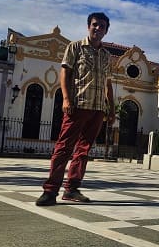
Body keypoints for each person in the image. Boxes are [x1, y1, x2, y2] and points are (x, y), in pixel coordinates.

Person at [36, 12, 115, 206]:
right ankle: (50, 191)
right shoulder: (76, 47)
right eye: (95, 25)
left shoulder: (106, 56)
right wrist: (66, 99)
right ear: (89, 26)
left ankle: (72, 189)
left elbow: (108, 83)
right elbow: (65, 73)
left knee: (83, 151)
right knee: (63, 148)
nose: (98, 29)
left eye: (102, 26)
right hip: (77, 106)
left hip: (97, 109)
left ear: (106, 31)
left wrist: (110, 109)